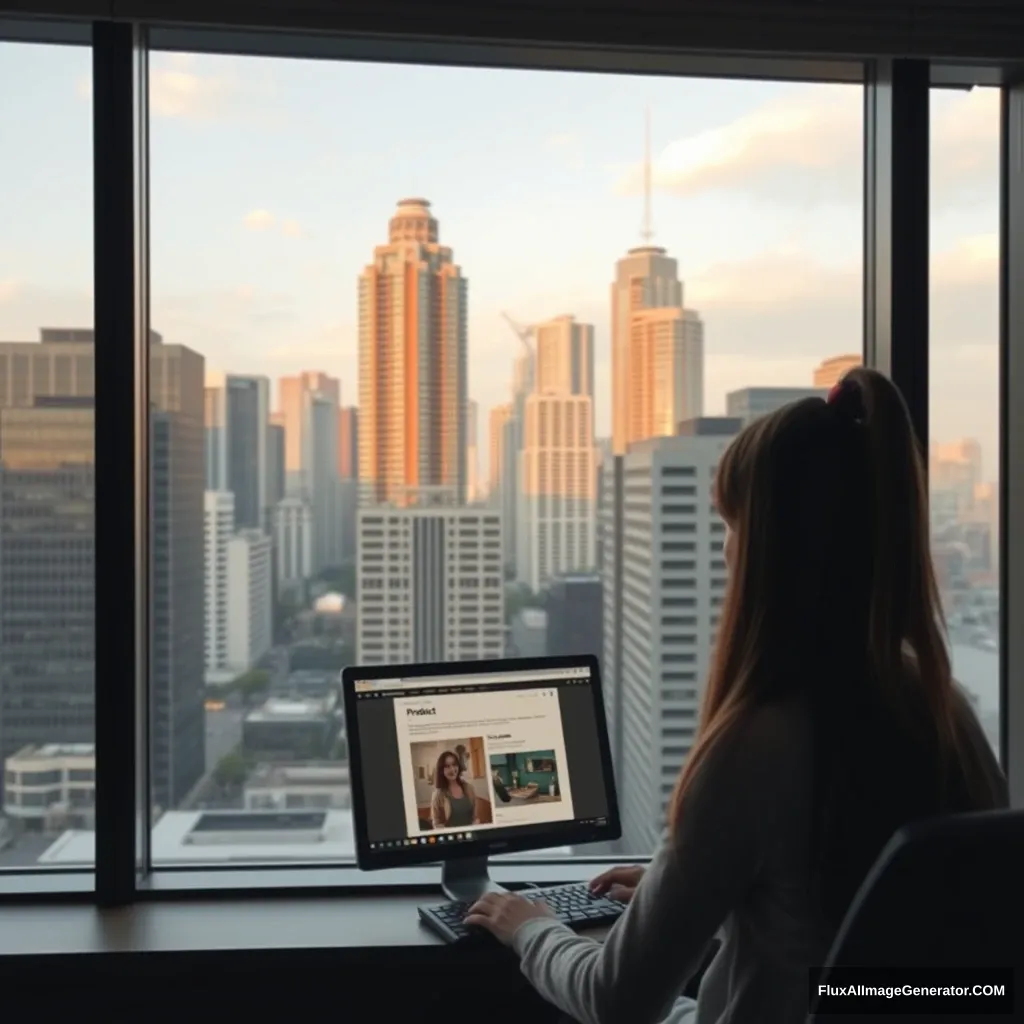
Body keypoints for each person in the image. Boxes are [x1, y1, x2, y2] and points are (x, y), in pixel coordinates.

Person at [465, 369, 1007, 1024]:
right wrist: (702, 895)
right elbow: (838, 945)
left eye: (730, 524)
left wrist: (531, 927)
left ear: (768, 550)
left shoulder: (757, 745)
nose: (724, 549)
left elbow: (617, 1000)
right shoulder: (945, 711)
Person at [430, 750, 480, 829]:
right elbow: (436, 823)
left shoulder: (469, 788)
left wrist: (476, 823)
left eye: (454, 764)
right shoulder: (437, 795)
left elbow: (475, 817)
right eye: (447, 766)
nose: (452, 769)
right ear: (441, 771)